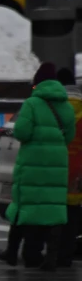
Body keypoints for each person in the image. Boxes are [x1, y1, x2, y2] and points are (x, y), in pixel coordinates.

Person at [0, 62, 75, 270]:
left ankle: (12, 252)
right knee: (53, 209)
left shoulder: (32, 104)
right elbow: (70, 136)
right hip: (57, 163)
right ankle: (51, 258)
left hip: (32, 162)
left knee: (23, 206)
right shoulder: (66, 106)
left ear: (38, 84)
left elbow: (22, 133)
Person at [58, 67, 82, 266]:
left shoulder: (54, 107)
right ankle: (67, 253)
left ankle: (52, 253)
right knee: (73, 212)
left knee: (54, 212)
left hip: (55, 167)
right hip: (78, 170)